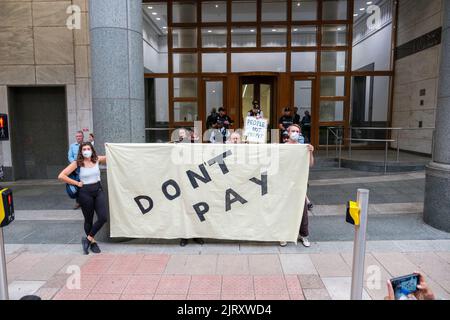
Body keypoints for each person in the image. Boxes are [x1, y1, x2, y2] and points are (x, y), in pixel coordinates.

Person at [58, 142, 107, 255]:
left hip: (98, 190)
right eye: (84, 149)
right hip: (85, 193)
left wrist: (108, 147)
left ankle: (87, 239)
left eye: (88, 148)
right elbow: (61, 175)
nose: (86, 151)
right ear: (81, 151)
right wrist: (76, 183)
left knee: (103, 217)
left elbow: (111, 157)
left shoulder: (97, 159)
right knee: (88, 220)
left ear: (92, 150)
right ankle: (93, 243)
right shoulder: (77, 163)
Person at [280, 124, 314, 248]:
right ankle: (283, 235)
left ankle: (303, 235)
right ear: (288, 133)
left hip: (299, 185)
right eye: (293, 131)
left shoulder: (303, 148)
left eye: (297, 131)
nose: (295, 133)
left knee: (302, 211)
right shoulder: (282, 148)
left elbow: (310, 164)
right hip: (285, 185)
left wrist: (311, 152)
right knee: (284, 210)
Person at [172, 128, 205, 247]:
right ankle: (184, 236)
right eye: (179, 134)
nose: (181, 136)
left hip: (194, 181)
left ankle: (196, 234)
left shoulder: (194, 146)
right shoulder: (175, 146)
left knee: (196, 208)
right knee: (183, 209)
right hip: (181, 181)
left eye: (183, 134)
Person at [68, 131, 84, 209]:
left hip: (85, 167)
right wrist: (74, 163)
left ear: (82, 137)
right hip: (76, 168)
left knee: (84, 184)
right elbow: (70, 156)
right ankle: (78, 202)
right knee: (77, 184)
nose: (78, 137)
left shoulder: (86, 145)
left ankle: (85, 201)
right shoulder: (72, 146)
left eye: (80, 136)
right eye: (77, 136)